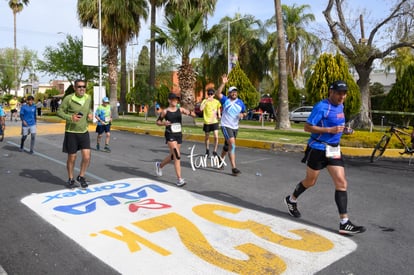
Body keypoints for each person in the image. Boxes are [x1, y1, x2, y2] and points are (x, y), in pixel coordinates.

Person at [284, 80, 366, 235]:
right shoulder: (321, 107)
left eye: (344, 93)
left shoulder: (341, 106)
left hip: (334, 149)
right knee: (310, 181)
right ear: (331, 92)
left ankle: (344, 222)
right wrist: (330, 130)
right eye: (339, 93)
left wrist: (345, 130)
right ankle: (292, 199)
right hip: (318, 148)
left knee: (341, 183)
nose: (342, 96)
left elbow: (338, 126)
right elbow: (307, 127)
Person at [57, 79, 93, 189]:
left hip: (84, 131)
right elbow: (59, 112)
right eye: (79, 87)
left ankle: (81, 176)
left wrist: (90, 115)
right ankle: (71, 178)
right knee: (72, 158)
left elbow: (88, 110)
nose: (82, 89)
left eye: (83, 86)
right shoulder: (68, 98)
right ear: (74, 88)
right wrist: (70, 117)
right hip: (71, 132)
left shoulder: (88, 98)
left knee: (87, 157)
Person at [154, 93, 195, 187]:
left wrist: (192, 113)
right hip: (170, 134)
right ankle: (179, 179)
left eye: (176, 99)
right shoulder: (165, 112)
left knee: (173, 156)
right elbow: (158, 122)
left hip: (178, 135)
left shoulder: (180, 109)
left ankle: (159, 165)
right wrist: (164, 123)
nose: (175, 101)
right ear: (169, 100)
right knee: (177, 155)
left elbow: (192, 114)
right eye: (173, 99)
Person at [215, 74, 247, 176]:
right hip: (226, 125)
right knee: (232, 145)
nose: (234, 93)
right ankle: (234, 168)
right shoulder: (225, 100)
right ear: (229, 93)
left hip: (235, 127)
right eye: (232, 92)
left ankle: (220, 160)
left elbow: (244, 112)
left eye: (235, 92)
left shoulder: (240, 102)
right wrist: (223, 83)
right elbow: (217, 93)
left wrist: (243, 114)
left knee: (226, 146)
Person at [200, 88, 221, 156]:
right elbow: (201, 109)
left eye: (211, 94)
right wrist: (206, 102)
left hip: (214, 121)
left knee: (216, 136)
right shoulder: (204, 101)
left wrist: (219, 114)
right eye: (209, 94)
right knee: (207, 137)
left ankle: (214, 151)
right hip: (207, 122)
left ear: (214, 95)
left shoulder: (216, 101)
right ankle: (207, 150)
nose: (210, 95)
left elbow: (218, 108)